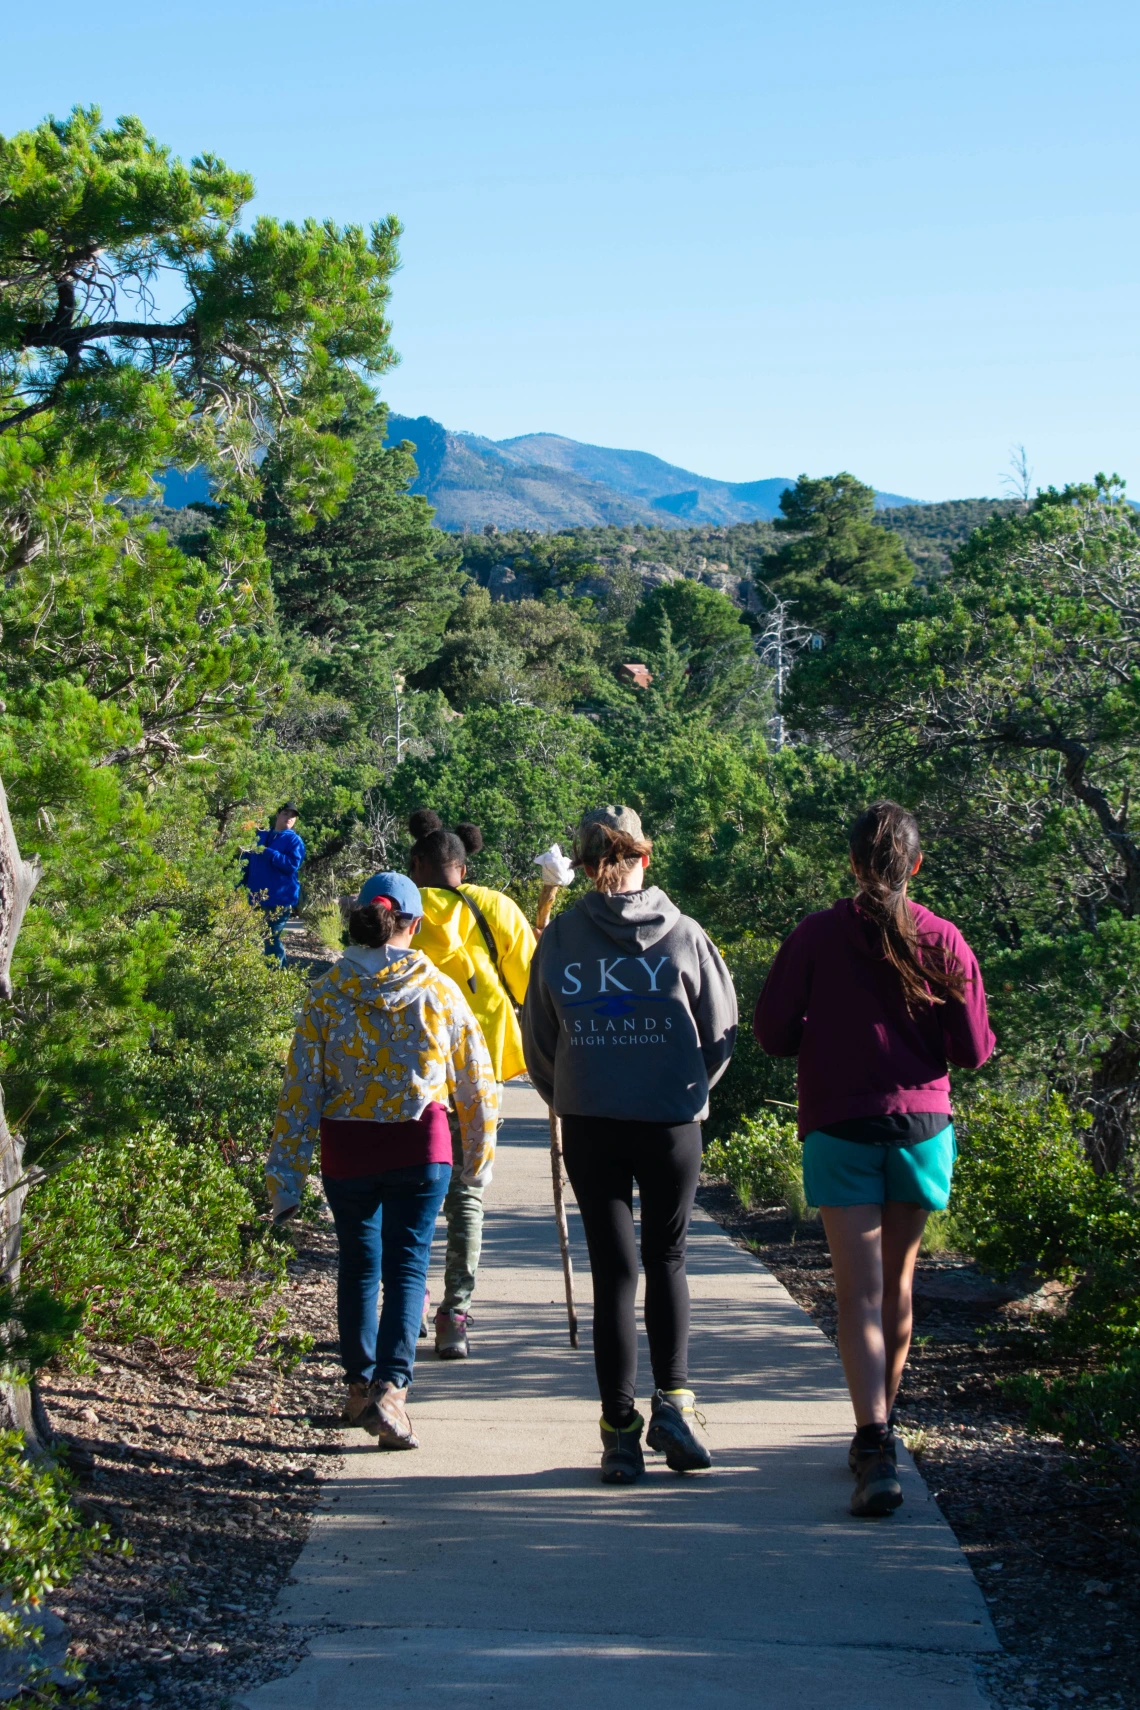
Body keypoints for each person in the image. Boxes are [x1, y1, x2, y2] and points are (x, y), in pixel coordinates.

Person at [754, 800, 994, 1518]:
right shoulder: (943, 939)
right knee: (898, 1290)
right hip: (922, 1126)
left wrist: (824, 1031)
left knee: (856, 1294)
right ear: (915, 864)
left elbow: (771, 1034)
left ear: (854, 865)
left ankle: (874, 1439)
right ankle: (879, 1432)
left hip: (840, 1123)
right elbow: (974, 1050)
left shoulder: (816, 937)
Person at [522, 805, 738, 1484]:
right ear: (646, 855)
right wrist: (684, 1088)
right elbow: (720, 1032)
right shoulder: (687, 936)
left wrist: (572, 1089)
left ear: (585, 866)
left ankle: (619, 1433)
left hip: (591, 1120)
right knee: (667, 1257)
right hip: (669, 1121)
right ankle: (674, 1402)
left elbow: (539, 1039)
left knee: (614, 1272)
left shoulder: (559, 941)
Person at [265, 871, 498, 1449]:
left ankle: (357, 1386)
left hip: (348, 1149)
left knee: (359, 1265)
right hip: (422, 1149)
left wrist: (286, 1175)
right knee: (407, 1266)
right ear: (413, 925)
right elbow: (477, 1082)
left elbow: (301, 1089)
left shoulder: (324, 993)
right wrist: (478, 1157)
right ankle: (393, 1390)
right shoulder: (440, 990)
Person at [407, 809, 536, 1359]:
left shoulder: (399, 911)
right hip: (478, 1076)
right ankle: (454, 1315)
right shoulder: (497, 909)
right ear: (463, 866)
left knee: (407, 1194)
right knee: (468, 1194)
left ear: (417, 864)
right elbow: (533, 986)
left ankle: (409, 1301)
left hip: (409, 1076)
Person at [242, 803, 305, 965]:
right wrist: (238, 886)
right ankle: (275, 976)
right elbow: (245, 863)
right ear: (277, 815)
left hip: (279, 899)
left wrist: (269, 853)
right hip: (256, 897)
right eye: (285, 813)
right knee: (266, 938)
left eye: (293, 816)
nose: (289, 818)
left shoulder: (294, 840)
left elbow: (291, 865)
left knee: (271, 938)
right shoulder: (260, 835)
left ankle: (275, 979)